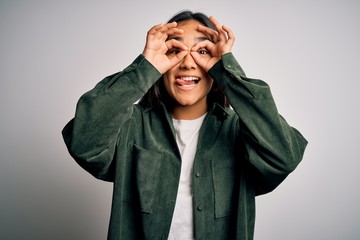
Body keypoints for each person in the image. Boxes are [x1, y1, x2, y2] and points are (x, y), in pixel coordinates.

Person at [62, 10, 307, 240]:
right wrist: (143, 69)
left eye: (202, 51)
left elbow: (284, 156)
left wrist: (228, 72)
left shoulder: (239, 131)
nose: (187, 63)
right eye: (175, 50)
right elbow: (84, 142)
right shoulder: (131, 126)